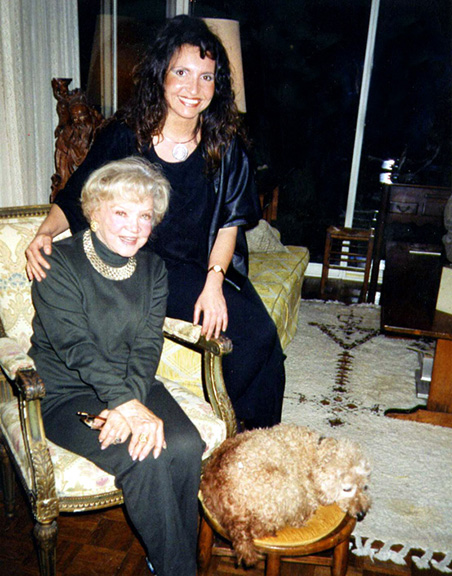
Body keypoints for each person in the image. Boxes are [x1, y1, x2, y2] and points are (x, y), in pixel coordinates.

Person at [26, 15, 285, 429]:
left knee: (264, 339)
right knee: (252, 337)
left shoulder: (226, 145)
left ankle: (257, 444)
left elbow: (230, 224)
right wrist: (44, 232)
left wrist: (214, 284)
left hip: (205, 266)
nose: (193, 88)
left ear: (217, 85)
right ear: (161, 75)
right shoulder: (125, 136)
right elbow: (75, 196)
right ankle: (244, 442)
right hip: (141, 267)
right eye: (182, 73)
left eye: (206, 77)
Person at [28, 157, 204, 576]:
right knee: (146, 459)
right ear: (94, 212)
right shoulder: (57, 262)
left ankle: (168, 561)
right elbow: (74, 346)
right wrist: (124, 405)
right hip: (67, 393)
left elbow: (147, 345)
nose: (134, 227)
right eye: (121, 213)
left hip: (133, 384)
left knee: (186, 445)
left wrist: (130, 404)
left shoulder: (153, 269)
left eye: (145, 216)